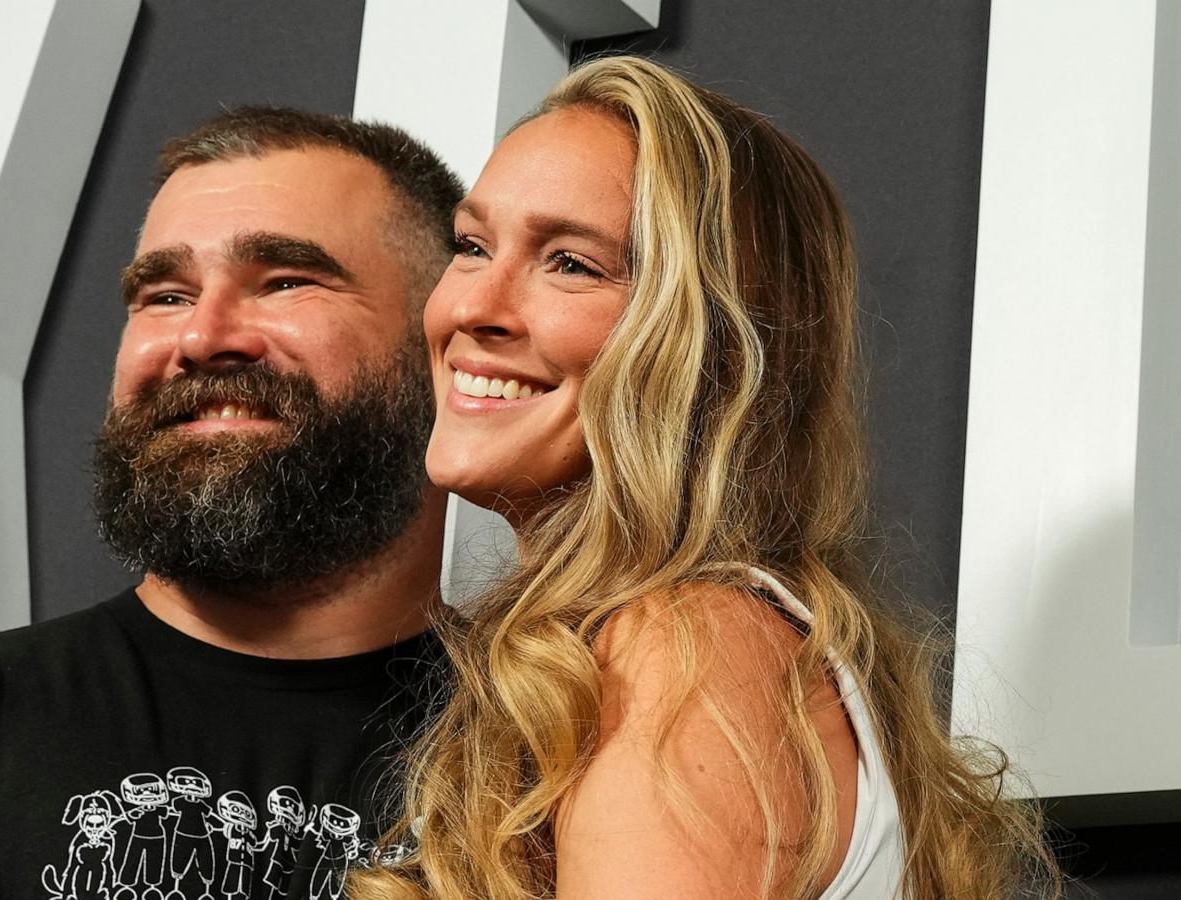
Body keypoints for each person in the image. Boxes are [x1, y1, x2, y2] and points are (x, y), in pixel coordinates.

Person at [351, 56, 1059, 900]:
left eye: (571, 263)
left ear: (714, 343)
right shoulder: (679, 640)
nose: (472, 306)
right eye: (472, 246)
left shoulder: (683, 648)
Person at [0, 107, 462, 900]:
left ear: (449, 340)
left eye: (284, 281)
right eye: (166, 295)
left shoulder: (562, 748)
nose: (203, 337)